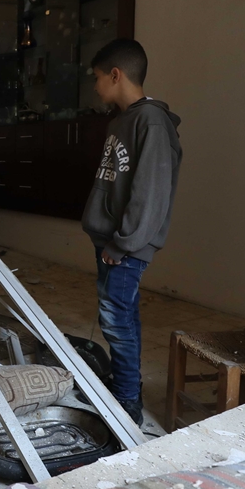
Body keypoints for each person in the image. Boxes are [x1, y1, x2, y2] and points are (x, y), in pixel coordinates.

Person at [81, 38, 182, 426]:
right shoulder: (121, 121)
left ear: (115, 75)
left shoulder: (151, 122)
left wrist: (122, 244)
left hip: (124, 245)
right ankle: (127, 388)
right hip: (112, 240)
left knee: (115, 320)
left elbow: (150, 194)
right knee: (122, 315)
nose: (95, 87)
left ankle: (126, 403)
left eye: (97, 78)